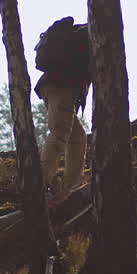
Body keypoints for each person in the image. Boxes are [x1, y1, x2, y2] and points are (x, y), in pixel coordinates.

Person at [33, 16, 90, 201]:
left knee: (77, 136)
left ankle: (70, 187)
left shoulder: (83, 35)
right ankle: (37, 186)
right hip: (62, 87)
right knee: (60, 133)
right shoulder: (91, 37)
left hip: (53, 86)